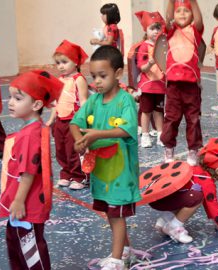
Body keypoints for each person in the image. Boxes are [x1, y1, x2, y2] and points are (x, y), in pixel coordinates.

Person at [70, 45, 141, 270]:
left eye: (103, 76)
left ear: (118, 73)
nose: (97, 82)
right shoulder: (94, 101)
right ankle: (126, 250)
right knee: (111, 213)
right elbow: (75, 123)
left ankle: (117, 259)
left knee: (117, 214)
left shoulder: (125, 100)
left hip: (121, 175)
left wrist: (96, 134)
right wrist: (79, 141)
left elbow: (127, 129)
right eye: (94, 77)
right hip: (102, 172)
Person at [0, 70, 63, 270]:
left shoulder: (30, 135)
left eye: (18, 98)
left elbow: (27, 172)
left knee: (30, 251)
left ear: (36, 105)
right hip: (24, 202)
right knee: (16, 244)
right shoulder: (33, 129)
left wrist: (18, 201)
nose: (10, 102)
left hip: (26, 205)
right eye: (10, 97)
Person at [150, 138, 218, 244]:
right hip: (162, 199)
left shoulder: (199, 171)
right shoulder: (207, 182)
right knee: (196, 197)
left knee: (189, 194)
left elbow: (209, 206)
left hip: (158, 197)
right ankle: (174, 227)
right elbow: (213, 209)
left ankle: (165, 219)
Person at [161, 0, 204, 166]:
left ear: (192, 14)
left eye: (186, 11)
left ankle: (193, 150)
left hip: (191, 85)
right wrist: (172, 2)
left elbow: (199, 20)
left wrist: (193, 2)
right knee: (171, 118)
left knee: (193, 119)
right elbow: (167, 17)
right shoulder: (170, 30)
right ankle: (169, 148)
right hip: (173, 85)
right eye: (178, 11)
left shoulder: (195, 30)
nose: (182, 14)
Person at [46, 40, 89, 190]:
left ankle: (79, 176)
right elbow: (56, 102)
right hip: (60, 121)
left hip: (74, 122)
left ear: (75, 62)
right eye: (58, 63)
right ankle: (66, 174)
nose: (61, 66)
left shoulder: (79, 79)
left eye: (64, 62)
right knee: (60, 150)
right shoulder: (59, 80)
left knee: (74, 150)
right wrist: (52, 119)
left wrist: (84, 122)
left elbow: (84, 101)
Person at [133, 11, 166, 148]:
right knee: (146, 112)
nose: (155, 31)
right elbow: (142, 67)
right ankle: (145, 135)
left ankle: (160, 134)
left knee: (159, 112)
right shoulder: (144, 46)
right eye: (152, 28)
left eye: (158, 28)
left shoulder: (163, 44)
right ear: (145, 30)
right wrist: (151, 62)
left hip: (160, 85)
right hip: (147, 85)